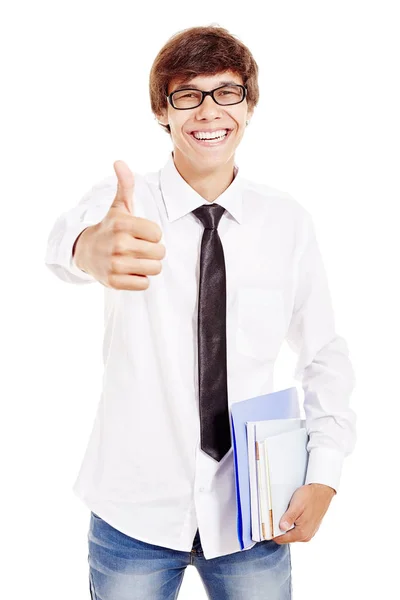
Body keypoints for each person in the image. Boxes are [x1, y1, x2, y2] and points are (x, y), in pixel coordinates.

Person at [44, 24, 357, 600]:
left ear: (250, 104)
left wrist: (324, 474)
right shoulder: (127, 202)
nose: (208, 111)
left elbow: (323, 354)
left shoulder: (287, 222)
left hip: (254, 507)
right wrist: (88, 248)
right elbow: (66, 240)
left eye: (226, 91)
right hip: (132, 512)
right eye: (187, 95)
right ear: (162, 111)